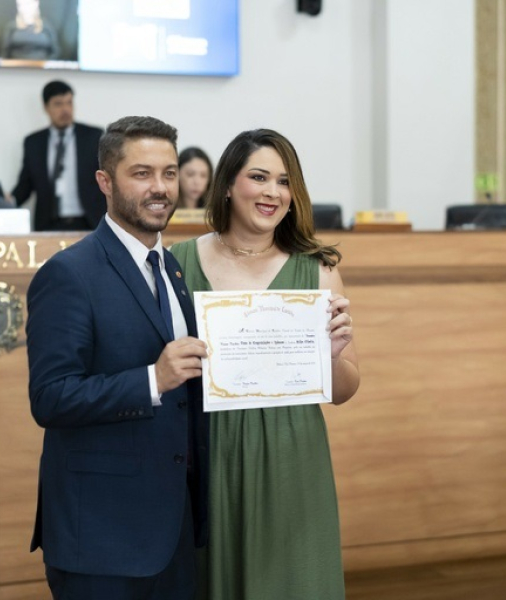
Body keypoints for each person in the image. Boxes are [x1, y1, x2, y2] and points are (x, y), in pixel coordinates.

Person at [170, 129, 360, 599]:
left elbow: (343, 391)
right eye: (259, 177)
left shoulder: (318, 268)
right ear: (229, 184)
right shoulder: (178, 260)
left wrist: (333, 356)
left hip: (292, 450)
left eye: (283, 181)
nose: (272, 192)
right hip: (210, 449)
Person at [26, 115, 209, 600]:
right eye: (142, 173)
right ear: (105, 182)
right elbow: (50, 398)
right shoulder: (68, 274)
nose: (161, 188)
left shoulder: (171, 267)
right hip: (101, 538)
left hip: (172, 529)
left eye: (169, 173)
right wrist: (152, 379)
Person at [13, 80, 106, 231]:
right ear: (46, 107)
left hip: (89, 222)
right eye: (58, 104)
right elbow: (25, 186)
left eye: (69, 103)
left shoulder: (93, 137)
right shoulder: (34, 143)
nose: (65, 109)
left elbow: (107, 178)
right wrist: (4, 203)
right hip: (49, 225)